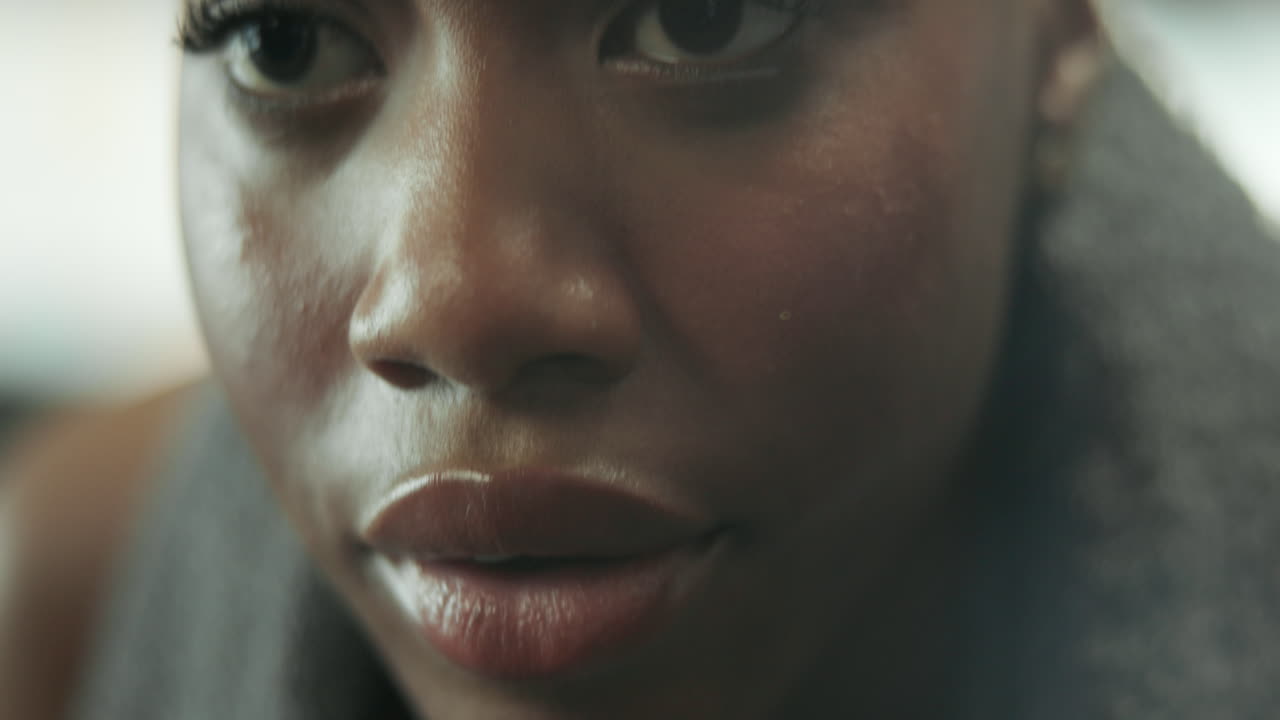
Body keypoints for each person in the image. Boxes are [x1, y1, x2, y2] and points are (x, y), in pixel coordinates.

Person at [2, 1, 1277, 718]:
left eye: (703, 21)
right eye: (284, 37)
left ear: (1057, 34)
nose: (456, 304)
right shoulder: (71, 607)